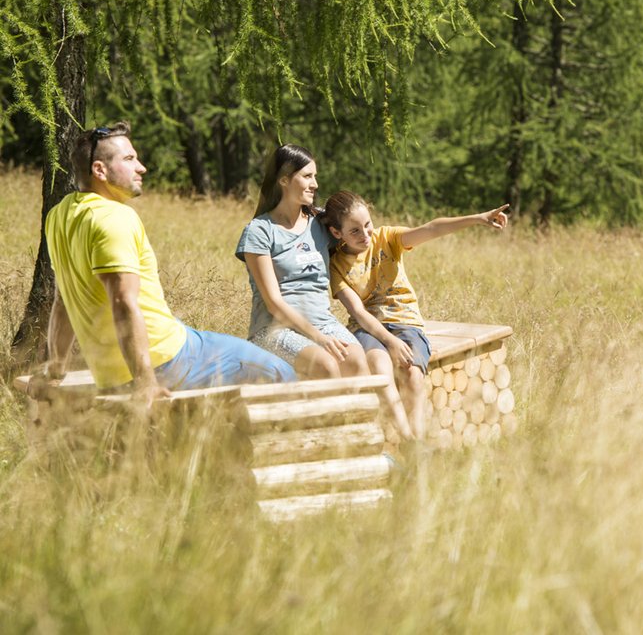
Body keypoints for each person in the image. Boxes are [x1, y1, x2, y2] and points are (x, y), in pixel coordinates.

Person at [35, 121, 297, 406]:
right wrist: (145, 382)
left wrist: (56, 366)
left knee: (201, 337)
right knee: (281, 371)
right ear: (100, 170)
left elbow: (64, 299)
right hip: (166, 361)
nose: (141, 167)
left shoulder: (60, 215)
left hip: (116, 370)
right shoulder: (114, 219)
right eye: (129, 159)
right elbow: (123, 301)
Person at [323, 190, 509, 440]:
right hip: (367, 327)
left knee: (412, 374)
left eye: (368, 225)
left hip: (404, 320)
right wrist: (390, 342)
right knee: (379, 365)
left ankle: (417, 441)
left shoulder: (386, 238)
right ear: (337, 233)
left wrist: (477, 218)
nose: (365, 235)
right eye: (354, 231)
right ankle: (407, 439)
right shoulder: (336, 265)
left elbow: (432, 228)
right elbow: (357, 311)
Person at [235, 145, 387, 404]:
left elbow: (359, 231)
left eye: (315, 176)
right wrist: (319, 338)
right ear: (283, 179)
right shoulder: (259, 231)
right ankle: (326, 438)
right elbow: (273, 302)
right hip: (273, 330)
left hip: (323, 323)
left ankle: (356, 437)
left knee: (355, 358)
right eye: (307, 176)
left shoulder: (320, 225)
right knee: (326, 364)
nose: (315, 184)